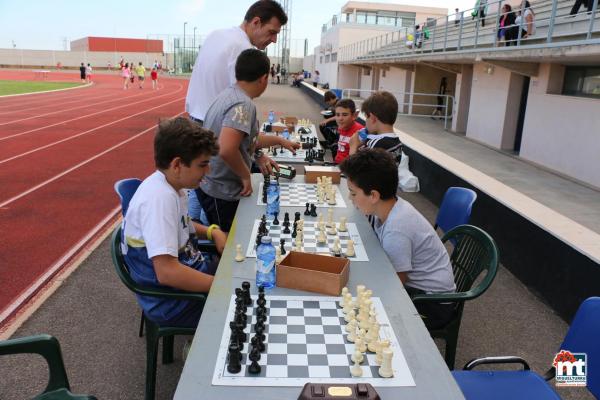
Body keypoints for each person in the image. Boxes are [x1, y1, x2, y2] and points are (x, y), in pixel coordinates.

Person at [122, 116, 227, 328]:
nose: (207, 171)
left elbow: (183, 224)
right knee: (245, 308)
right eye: (203, 164)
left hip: (188, 278)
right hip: (173, 302)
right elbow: (167, 273)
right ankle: (197, 353)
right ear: (177, 164)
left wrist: (212, 232)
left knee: (242, 273)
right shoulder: (159, 199)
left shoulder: (171, 186)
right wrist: (221, 286)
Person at [339, 149, 456, 329]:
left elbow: (394, 284)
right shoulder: (389, 208)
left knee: (352, 309)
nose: (350, 198)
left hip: (432, 303)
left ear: (374, 195)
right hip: (420, 289)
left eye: (353, 193)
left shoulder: (397, 229)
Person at [195, 49, 300, 232]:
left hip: (214, 186)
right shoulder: (243, 104)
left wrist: (279, 140)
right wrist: (245, 174)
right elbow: (227, 148)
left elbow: (245, 139)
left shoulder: (228, 94)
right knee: (228, 247)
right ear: (264, 78)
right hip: (222, 191)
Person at [186, 0, 288, 125]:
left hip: (194, 122)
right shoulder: (244, 49)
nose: (274, 40)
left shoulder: (215, 35)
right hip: (217, 129)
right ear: (256, 22)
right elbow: (241, 100)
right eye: (272, 32)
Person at [349, 91, 402, 162]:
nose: (366, 122)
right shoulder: (397, 143)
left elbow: (355, 169)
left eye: (366, 118)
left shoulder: (375, 144)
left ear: (372, 118)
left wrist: (353, 147)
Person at [333, 99, 363, 164]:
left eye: (345, 115)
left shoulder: (359, 132)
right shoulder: (342, 126)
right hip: (336, 164)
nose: (340, 118)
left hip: (348, 168)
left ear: (354, 116)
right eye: (338, 115)